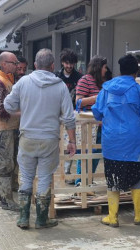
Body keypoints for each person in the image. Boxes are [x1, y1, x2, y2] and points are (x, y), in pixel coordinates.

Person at [4, 48, 77, 230]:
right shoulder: (60, 86)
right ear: (53, 66)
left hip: (27, 137)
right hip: (49, 140)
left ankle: (23, 218)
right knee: (44, 178)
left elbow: (8, 105)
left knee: (26, 178)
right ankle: (41, 220)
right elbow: (69, 117)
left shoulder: (24, 82)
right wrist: (72, 141)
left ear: (35, 65)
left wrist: (24, 112)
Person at [92, 54, 140, 227]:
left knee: (113, 179)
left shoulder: (106, 88)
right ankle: (138, 215)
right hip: (135, 143)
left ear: (120, 70)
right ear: (136, 71)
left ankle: (112, 217)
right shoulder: (137, 90)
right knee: (137, 178)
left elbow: (97, 112)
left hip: (112, 142)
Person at [0, 52, 21, 211]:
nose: (17, 65)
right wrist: (20, 113)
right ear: (4, 64)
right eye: (14, 63)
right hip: (3, 130)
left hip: (10, 128)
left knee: (7, 163)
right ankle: (6, 200)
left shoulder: (7, 80)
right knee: (6, 165)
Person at [74, 56, 108, 185]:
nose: (106, 70)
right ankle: (80, 183)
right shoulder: (85, 80)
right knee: (85, 154)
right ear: (98, 67)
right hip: (87, 125)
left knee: (95, 154)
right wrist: (97, 97)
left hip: (100, 124)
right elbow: (78, 102)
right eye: (104, 67)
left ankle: (88, 181)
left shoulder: (101, 81)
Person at [56, 48, 83, 180]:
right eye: (66, 63)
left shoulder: (79, 78)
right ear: (62, 62)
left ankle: (67, 168)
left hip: (73, 114)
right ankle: (58, 166)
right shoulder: (56, 77)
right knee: (59, 141)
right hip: (57, 113)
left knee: (72, 140)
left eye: (71, 63)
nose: (69, 66)